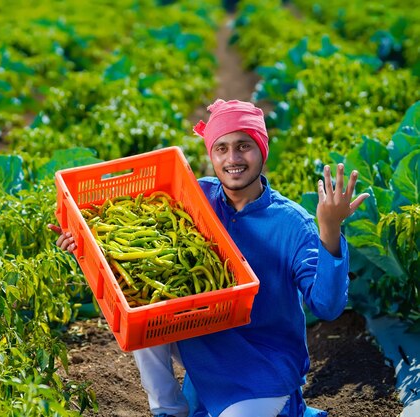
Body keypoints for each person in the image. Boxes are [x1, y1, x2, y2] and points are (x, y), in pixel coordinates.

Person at [48, 99, 369, 417]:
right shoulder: (195, 196)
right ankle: (168, 411)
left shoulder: (291, 224)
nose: (233, 158)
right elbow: (124, 257)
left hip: (263, 366)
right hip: (201, 344)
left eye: (244, 146)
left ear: (262, 150)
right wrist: (87, 243)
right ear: (211, 155)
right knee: (142, 306)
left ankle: (290, 407)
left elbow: (327, 307)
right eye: (222, 148)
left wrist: (329, 228)